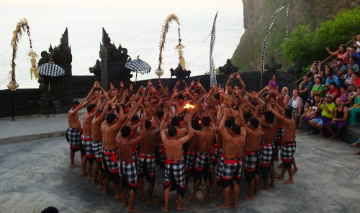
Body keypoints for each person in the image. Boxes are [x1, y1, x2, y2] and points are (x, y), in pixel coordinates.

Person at [160, 112, 193, 212]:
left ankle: (165, 207)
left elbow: (161, 129)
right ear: (177, 133)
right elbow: (191, 134)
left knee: (167, 185)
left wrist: (165, 118)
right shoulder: (179, 141)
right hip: (178, 165)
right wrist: (188, 122)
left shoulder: (165, 140)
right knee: (181, 185)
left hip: (169, 164)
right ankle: (179, 205)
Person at [218, 106, 246, 209]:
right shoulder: (243, 137)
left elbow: (220, 128)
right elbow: (243, 126)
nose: (229, 131)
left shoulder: (230, 139)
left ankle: (226, 204)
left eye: (231, 130)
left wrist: (225, 115)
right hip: (238, 161)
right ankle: (235, 203)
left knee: (226, 184)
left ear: (233, 132)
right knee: (236, 182)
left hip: (229, 162)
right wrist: (239, 116)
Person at [117, 119, 145, 212]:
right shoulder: (130, 142)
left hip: (121, 164)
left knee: (124, 183)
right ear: (129, 134)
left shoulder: (118, 139)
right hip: (129, 165)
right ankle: (130, 207)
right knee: (133, 186)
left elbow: (120, 130)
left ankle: (124, 201)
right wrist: (143, 123)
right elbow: (142, 135)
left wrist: (125, 122)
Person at [189, 116, 216, 201]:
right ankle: (207, 195)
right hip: (208, 155)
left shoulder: (200, 133)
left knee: (197, 177)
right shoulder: (213, 132)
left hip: (201, 155)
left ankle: (195, 196)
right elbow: (215, 123)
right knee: (208, 176)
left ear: (202, 123)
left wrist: (187, 120)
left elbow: (190, 129)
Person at [269, 106, 296, 184]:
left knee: (287, 163)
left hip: (288, 145)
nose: (282, 114)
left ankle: (291, 179)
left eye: (284, 114)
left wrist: (271, 109)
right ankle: (282, 175)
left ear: (286, 115)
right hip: (286, 145)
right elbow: (282, 112)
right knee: (285, 161)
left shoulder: (289, 121)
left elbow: (280, 117)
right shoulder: (292, 119)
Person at [102, 108, 124, 198]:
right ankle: (117, 193)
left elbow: (107, 117)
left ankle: (105, 189)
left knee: (107, 173)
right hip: (111, 154)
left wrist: (112, 111)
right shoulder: (111, 129)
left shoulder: (103, 125)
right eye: (115, 119)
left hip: (104, 152)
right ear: (114, 120)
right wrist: (120, 107)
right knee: (115, 174)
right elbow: (122, 119)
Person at [137, 119, 159, 204]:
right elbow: (160, 127)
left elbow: (138, 128)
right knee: (151, 179)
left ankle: (142, 195)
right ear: (150, 126)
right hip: (150, 157)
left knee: (140, 177)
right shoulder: (153, 133)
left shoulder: (140, 132)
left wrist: (141, 123)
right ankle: (149, 198)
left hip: (141, 156)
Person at [243, 117, 262, 200]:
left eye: (249, 122)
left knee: (250, 176)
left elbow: (242, 124)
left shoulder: (251, 132)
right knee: (256, 173)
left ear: (252, 125)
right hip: (256, 153)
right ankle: (256, 190)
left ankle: (251, 194)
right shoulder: (259, 130)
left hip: (250, 155)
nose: (248, 123)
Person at [66, 99, 88, 167]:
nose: (79, 107)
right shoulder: (70, 112)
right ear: (75, 106)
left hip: (78, 130)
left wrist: (89, 100)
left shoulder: (76, 109)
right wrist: (81, 104)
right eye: (78, 106)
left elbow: (83, 106)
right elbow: (74, 112)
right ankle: (72, 162)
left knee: (81, 145)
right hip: (73, 131)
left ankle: (82, 158)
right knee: (73, 148)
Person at [259, 111, 277, 190]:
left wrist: (256, 110)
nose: (263, 119)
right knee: (270, 165)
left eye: (264, 118)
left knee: (265, 167)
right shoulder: (274, 123)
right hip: (271, 146)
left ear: (268, 120)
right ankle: (272, 183)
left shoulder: (268, 125)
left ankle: (266, 186)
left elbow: (259, 122)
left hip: (267, 147)